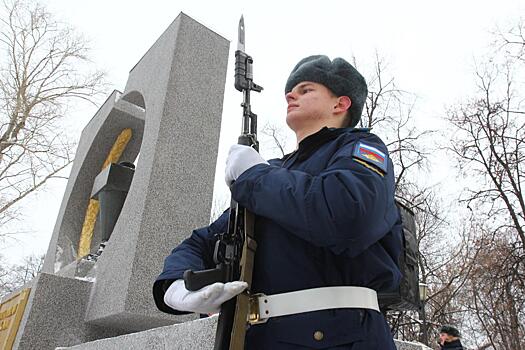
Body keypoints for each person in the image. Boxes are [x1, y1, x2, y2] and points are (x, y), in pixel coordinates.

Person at [153, 55, 403, 349]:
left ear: (340, 104)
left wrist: (255, 176)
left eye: (306, 89)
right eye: (290, 90)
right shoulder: (272, 173)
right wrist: (176, 284)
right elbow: (203, 241)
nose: (290, 94)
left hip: (341, 337)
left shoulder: (361, 148)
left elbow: (349, 214)